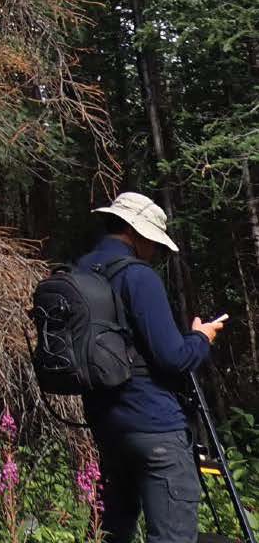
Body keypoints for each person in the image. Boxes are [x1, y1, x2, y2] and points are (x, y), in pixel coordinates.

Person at [77, 190, 228, 543]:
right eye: (156, 244)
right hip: (154, 426)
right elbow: (174, 359)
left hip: (107, 426)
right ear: (137, 233)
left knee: (112, 532)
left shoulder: (81, 271)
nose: (156, 253)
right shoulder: (138, 277)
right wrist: (200, 337)